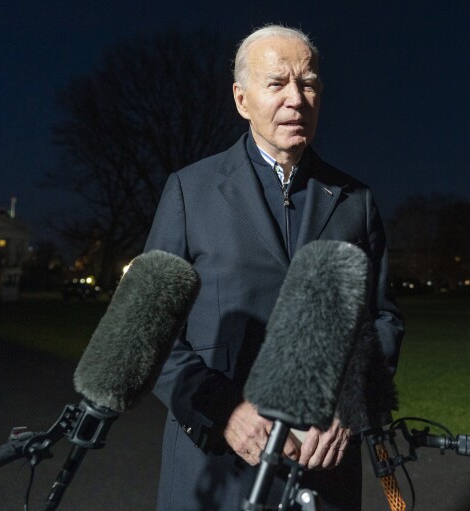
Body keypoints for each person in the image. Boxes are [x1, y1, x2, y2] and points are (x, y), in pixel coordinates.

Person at [144, 24, 404, 510]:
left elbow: (383, 320)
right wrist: (222, 411)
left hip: (323, 469)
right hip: (214, 469)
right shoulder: (189, 192)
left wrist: (351, 404)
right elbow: (151, 331)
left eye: (308, 84)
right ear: (242, 100)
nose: (296, 98)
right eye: (277, 83)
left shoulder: (355, 202)